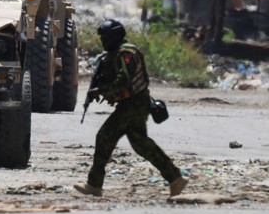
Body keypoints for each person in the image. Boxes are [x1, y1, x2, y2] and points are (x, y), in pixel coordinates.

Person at [74, 19, 188, 198]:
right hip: (133, 104)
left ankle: (94, 184)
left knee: (104, 136)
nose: (102, 41)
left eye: (105, 37)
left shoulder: (127, 52)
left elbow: (124, 81)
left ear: (114, 36)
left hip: (133, 104)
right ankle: (175, 178)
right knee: (141, 144)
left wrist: (101, 90)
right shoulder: (115, 53)